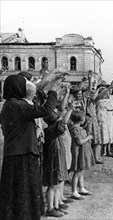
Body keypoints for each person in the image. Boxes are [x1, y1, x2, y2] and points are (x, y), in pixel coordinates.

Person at [0, 73, 60, 220]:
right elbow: (46, 111)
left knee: (14, 191)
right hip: (24, 155)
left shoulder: (9, 104)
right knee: (26, 189)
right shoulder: (19, 105)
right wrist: (53, 92)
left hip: (13, 154)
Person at [69, 110, 95, 200]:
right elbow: (80, 141)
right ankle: (74, 191)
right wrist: (89, 137)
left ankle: (81, 187)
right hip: (79, 152)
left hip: (82, 151)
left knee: (82, 170)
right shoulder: (75, 129)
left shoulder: (79, 128)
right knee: (78, 171)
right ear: (81, 119)